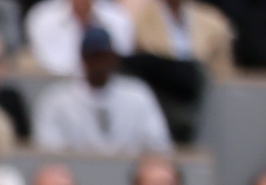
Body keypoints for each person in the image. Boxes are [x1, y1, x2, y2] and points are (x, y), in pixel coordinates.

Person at [32, 27, 172, 152]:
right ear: (83, 59)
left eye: (105, 56)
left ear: (114, 58)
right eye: (93, 57)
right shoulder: (56, 101)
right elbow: (49, 152)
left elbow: (159, 146)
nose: (100, 64)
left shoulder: (138, 95)